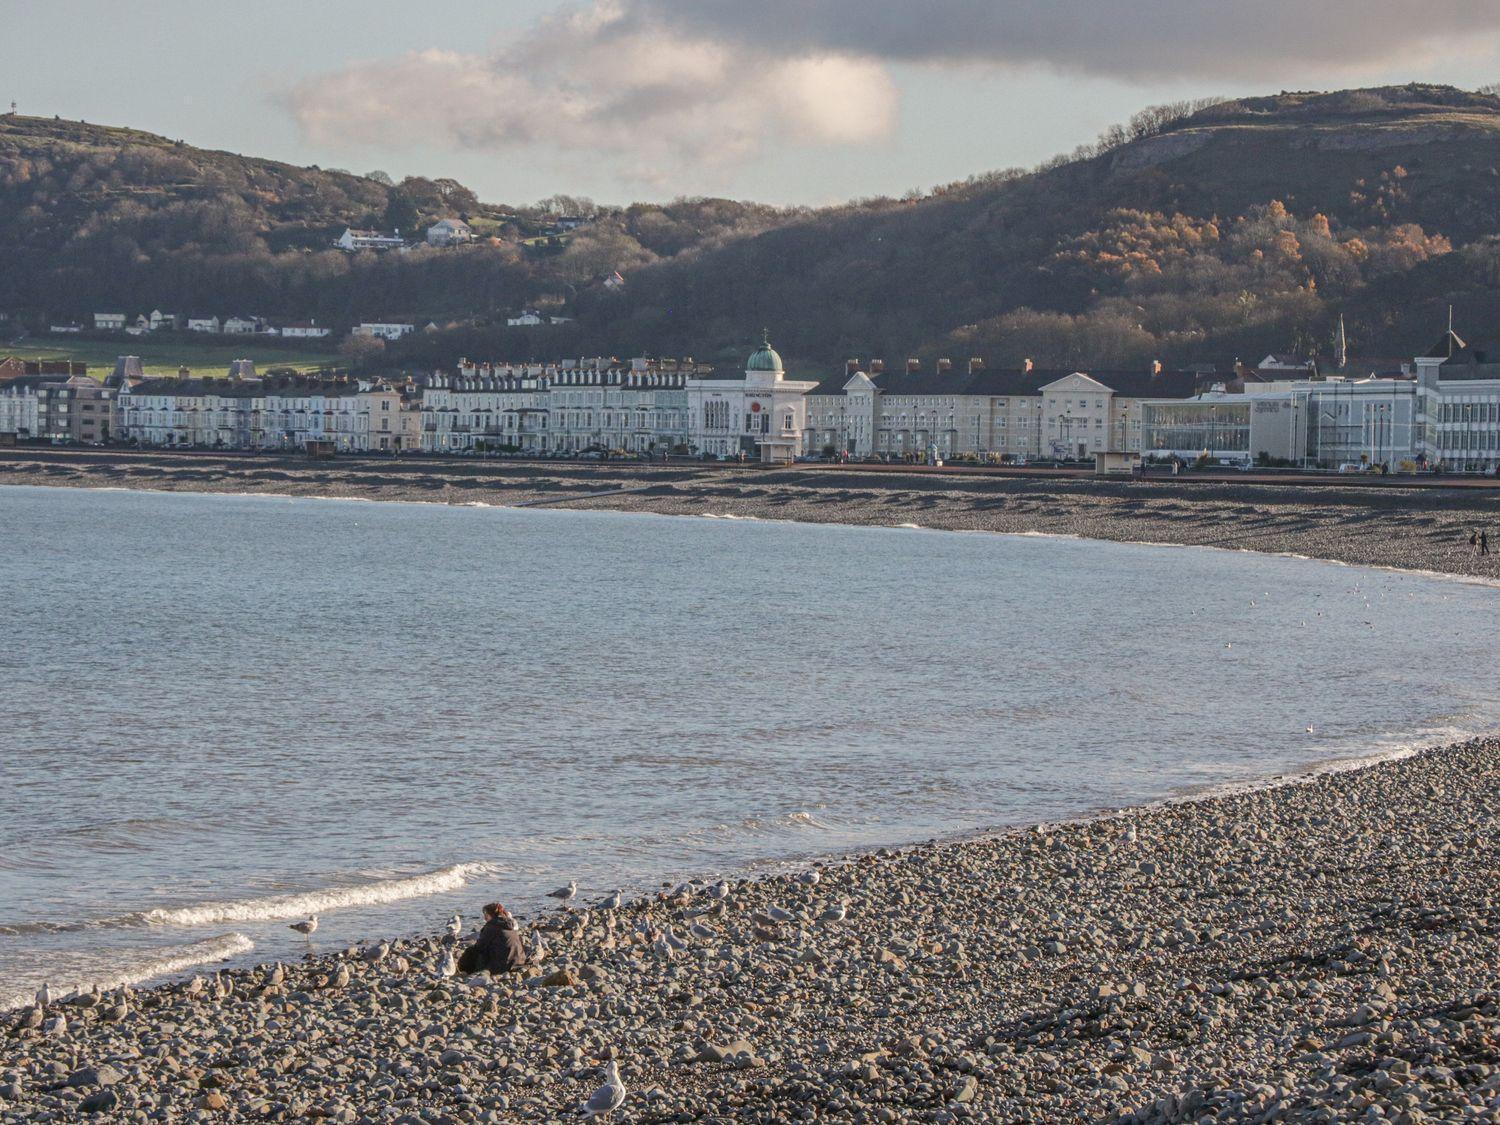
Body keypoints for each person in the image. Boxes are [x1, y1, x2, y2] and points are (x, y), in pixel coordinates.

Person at [458, 902, 529, 975]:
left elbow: (479, 947)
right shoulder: (509, 925)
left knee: (471, 951)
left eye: (486, 914)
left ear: (490, 915)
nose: (485, 917)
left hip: (503, 966)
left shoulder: (491, 927)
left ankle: (465, 971)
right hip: (519, 961)